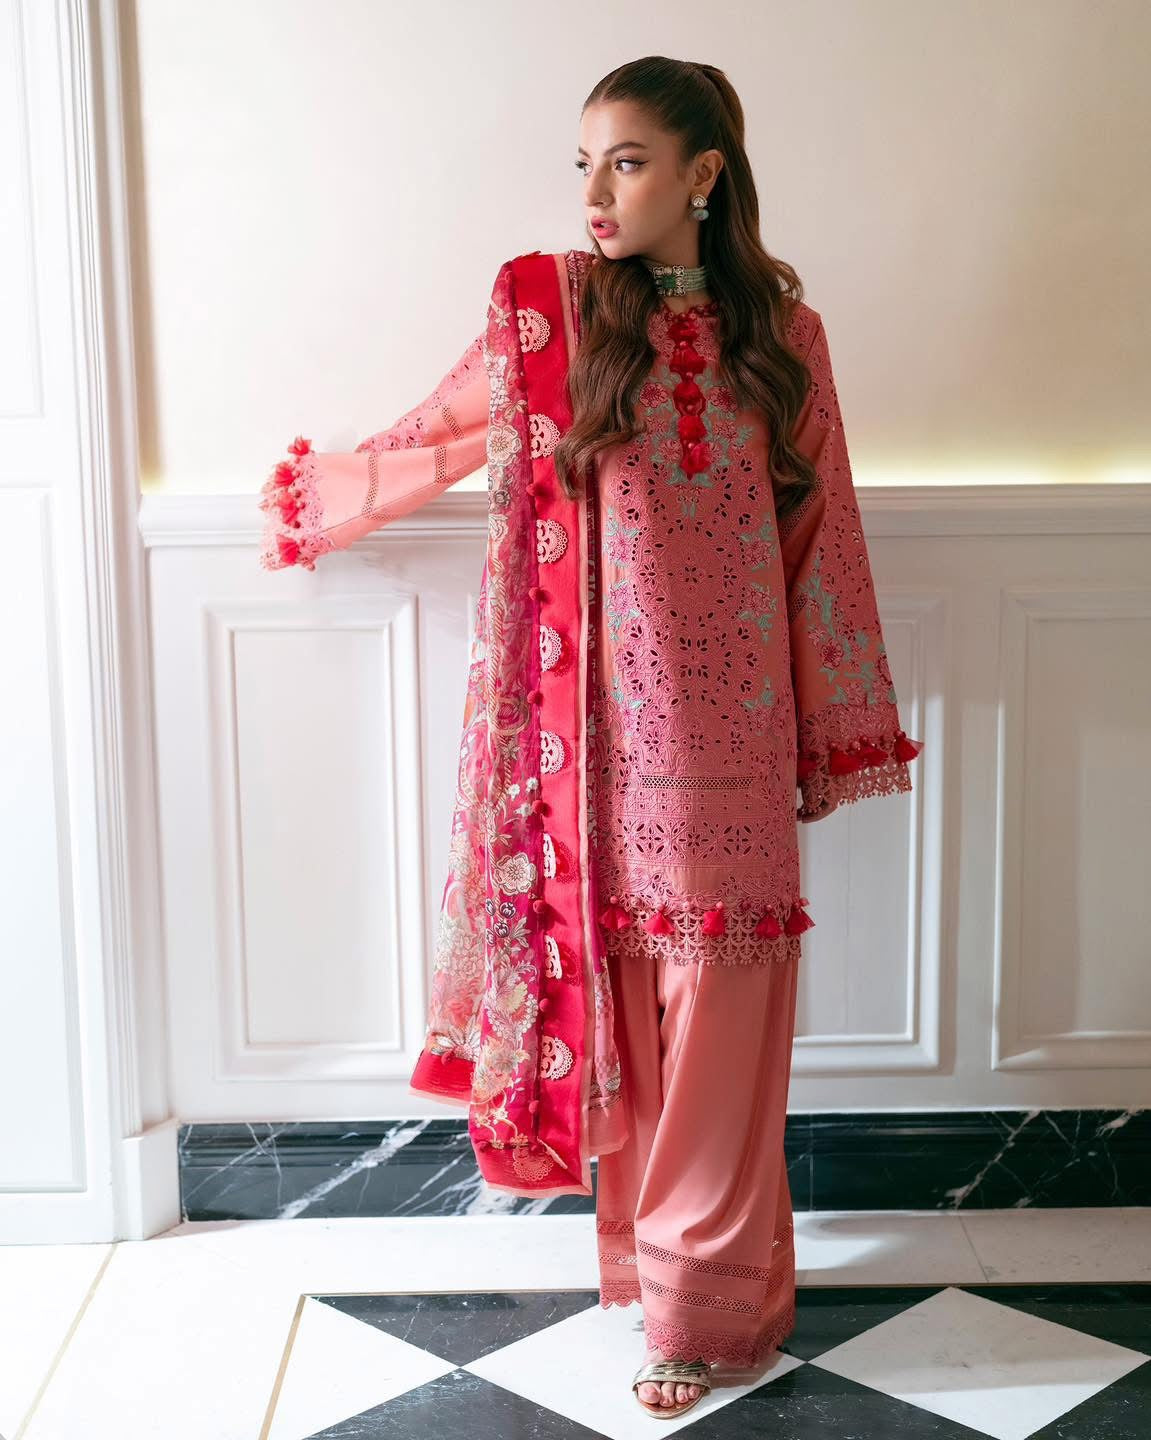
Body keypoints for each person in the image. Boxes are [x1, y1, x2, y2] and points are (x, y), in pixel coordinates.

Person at [259, 54, 922, 1421]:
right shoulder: (555, 313)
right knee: (633, 1025)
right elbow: (445, 431)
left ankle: (700, 1310)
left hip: (738, 741)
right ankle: (667, 1281)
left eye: (625, 161)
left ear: (703, 174)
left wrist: (831, 728)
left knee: (724, 1032)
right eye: (584, 166)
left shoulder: (786, 337)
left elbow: (823, 535)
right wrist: (320, 500)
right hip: (601, 746)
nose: (597, 194)